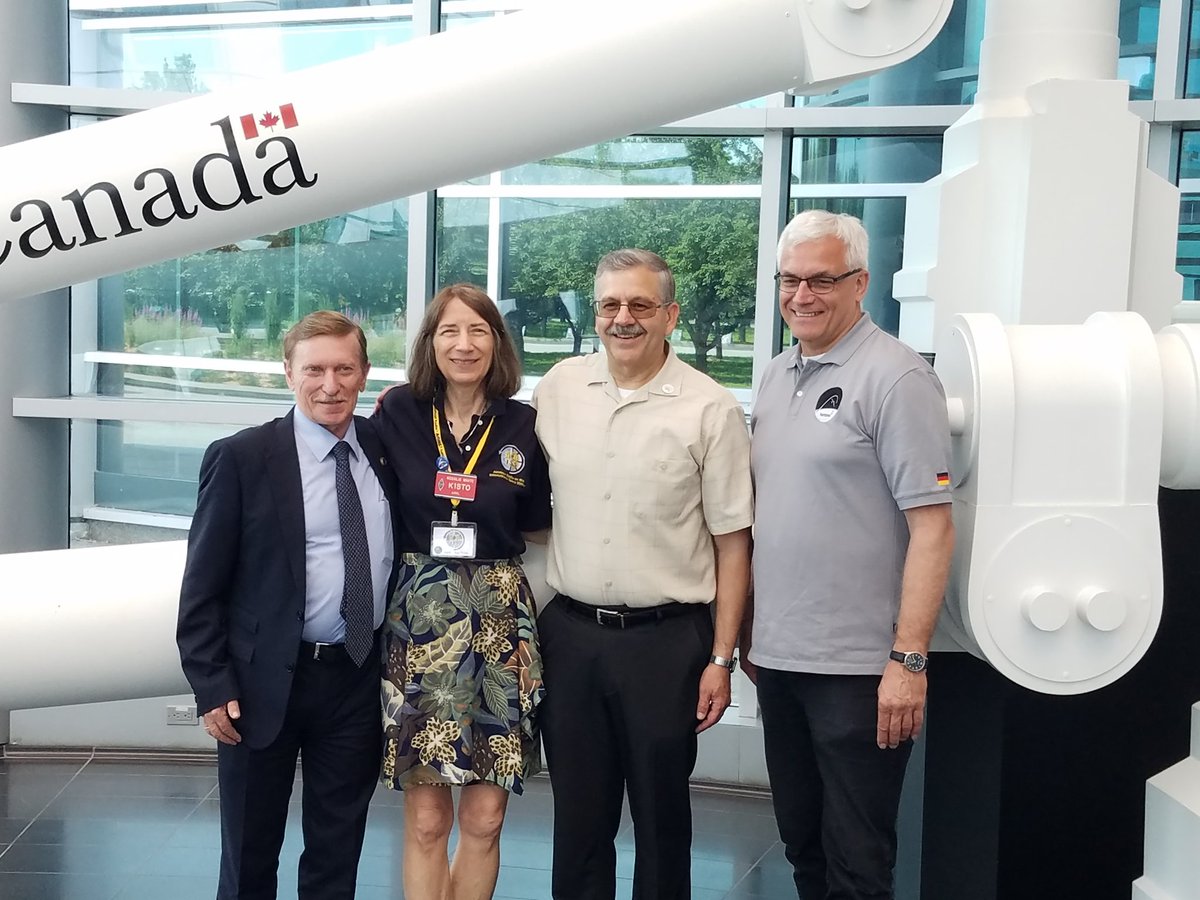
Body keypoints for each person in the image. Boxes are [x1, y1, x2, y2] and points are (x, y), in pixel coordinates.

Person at [745, 210, 955, 900]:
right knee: (803, 842)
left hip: (861, 673)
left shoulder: (897, 378)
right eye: (790, 280)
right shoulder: (777, 376)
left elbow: (933, 527)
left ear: (860, 282)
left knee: (859, 859)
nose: (802, 295)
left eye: (822, 280)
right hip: (779, 660)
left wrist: (909, 660)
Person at [531, 249, 754, 900]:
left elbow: (733, 544)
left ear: (670, 315)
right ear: (595, 313)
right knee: (577, 821)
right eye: (609, 305)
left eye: (640, 305)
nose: (623, 318)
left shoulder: (710, 410)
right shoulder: (560, 389)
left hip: (667, 644)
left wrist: (721, 659)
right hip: (569, 638)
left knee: (662, 821)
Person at [177, 310, 399, 900]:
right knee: (250, 851)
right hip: (261, 683)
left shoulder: (383, 450)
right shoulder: (242, 458)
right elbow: (202, 585)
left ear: (364, 373)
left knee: (338, 848)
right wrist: (210, 682)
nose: (330, 384)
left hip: (355, 677)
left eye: (344, 369)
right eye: (315, 369)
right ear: (288, 373)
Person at [373, 283, 551, 900]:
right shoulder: (396, 411)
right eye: (449, 331)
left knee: (485, 816)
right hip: (421, 617)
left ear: (497, 343)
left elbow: (539, 517)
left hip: (499, 619)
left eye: (478, 331)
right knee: (427, 819)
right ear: (431, 342)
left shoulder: (524, 423)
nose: (464, 344)